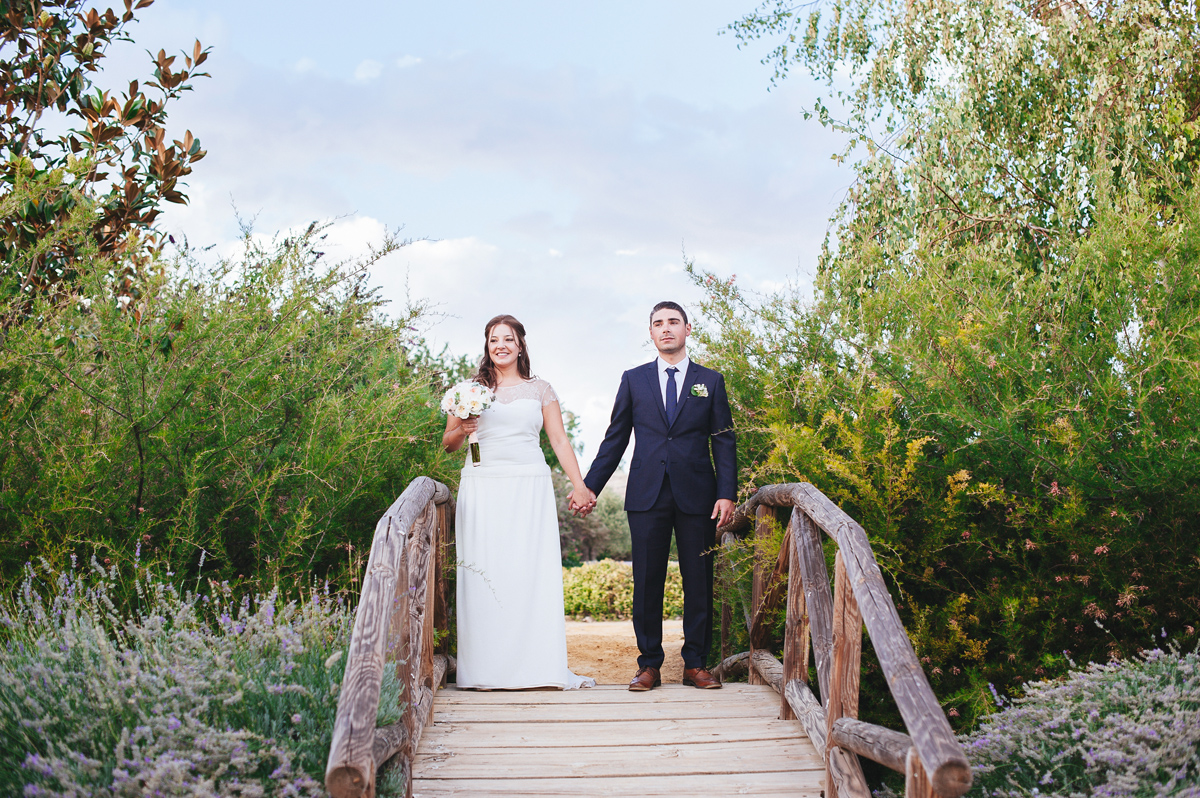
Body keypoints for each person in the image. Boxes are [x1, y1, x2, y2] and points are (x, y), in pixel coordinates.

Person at [576, 301, 736, 692]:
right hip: (645, 495)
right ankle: (649, 665)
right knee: (647, 581)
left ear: (687, 329)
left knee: (699, 581)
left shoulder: (710, 381)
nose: (666, 329)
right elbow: (615, 439)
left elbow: (723, 441)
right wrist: (589, 486)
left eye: (673, 322)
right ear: (651, 333)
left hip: (698, 495)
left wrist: (726, 493)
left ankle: (695, 664)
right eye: (658, 324)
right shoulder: (634, 380)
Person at [443, 314, 596, 690]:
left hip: (529, 485)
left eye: (508, 339)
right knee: (486, 571)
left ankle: (537, 667)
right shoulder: (467, 390)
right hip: (483, 484)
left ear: (521, 345)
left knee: (529, 571)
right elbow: (448, 443)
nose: (501, 346)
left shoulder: (540, 389)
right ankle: (484, 670)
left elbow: (559, 440)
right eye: (494, 340)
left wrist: (579, 485)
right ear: (487, 346)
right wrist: (463, 428)